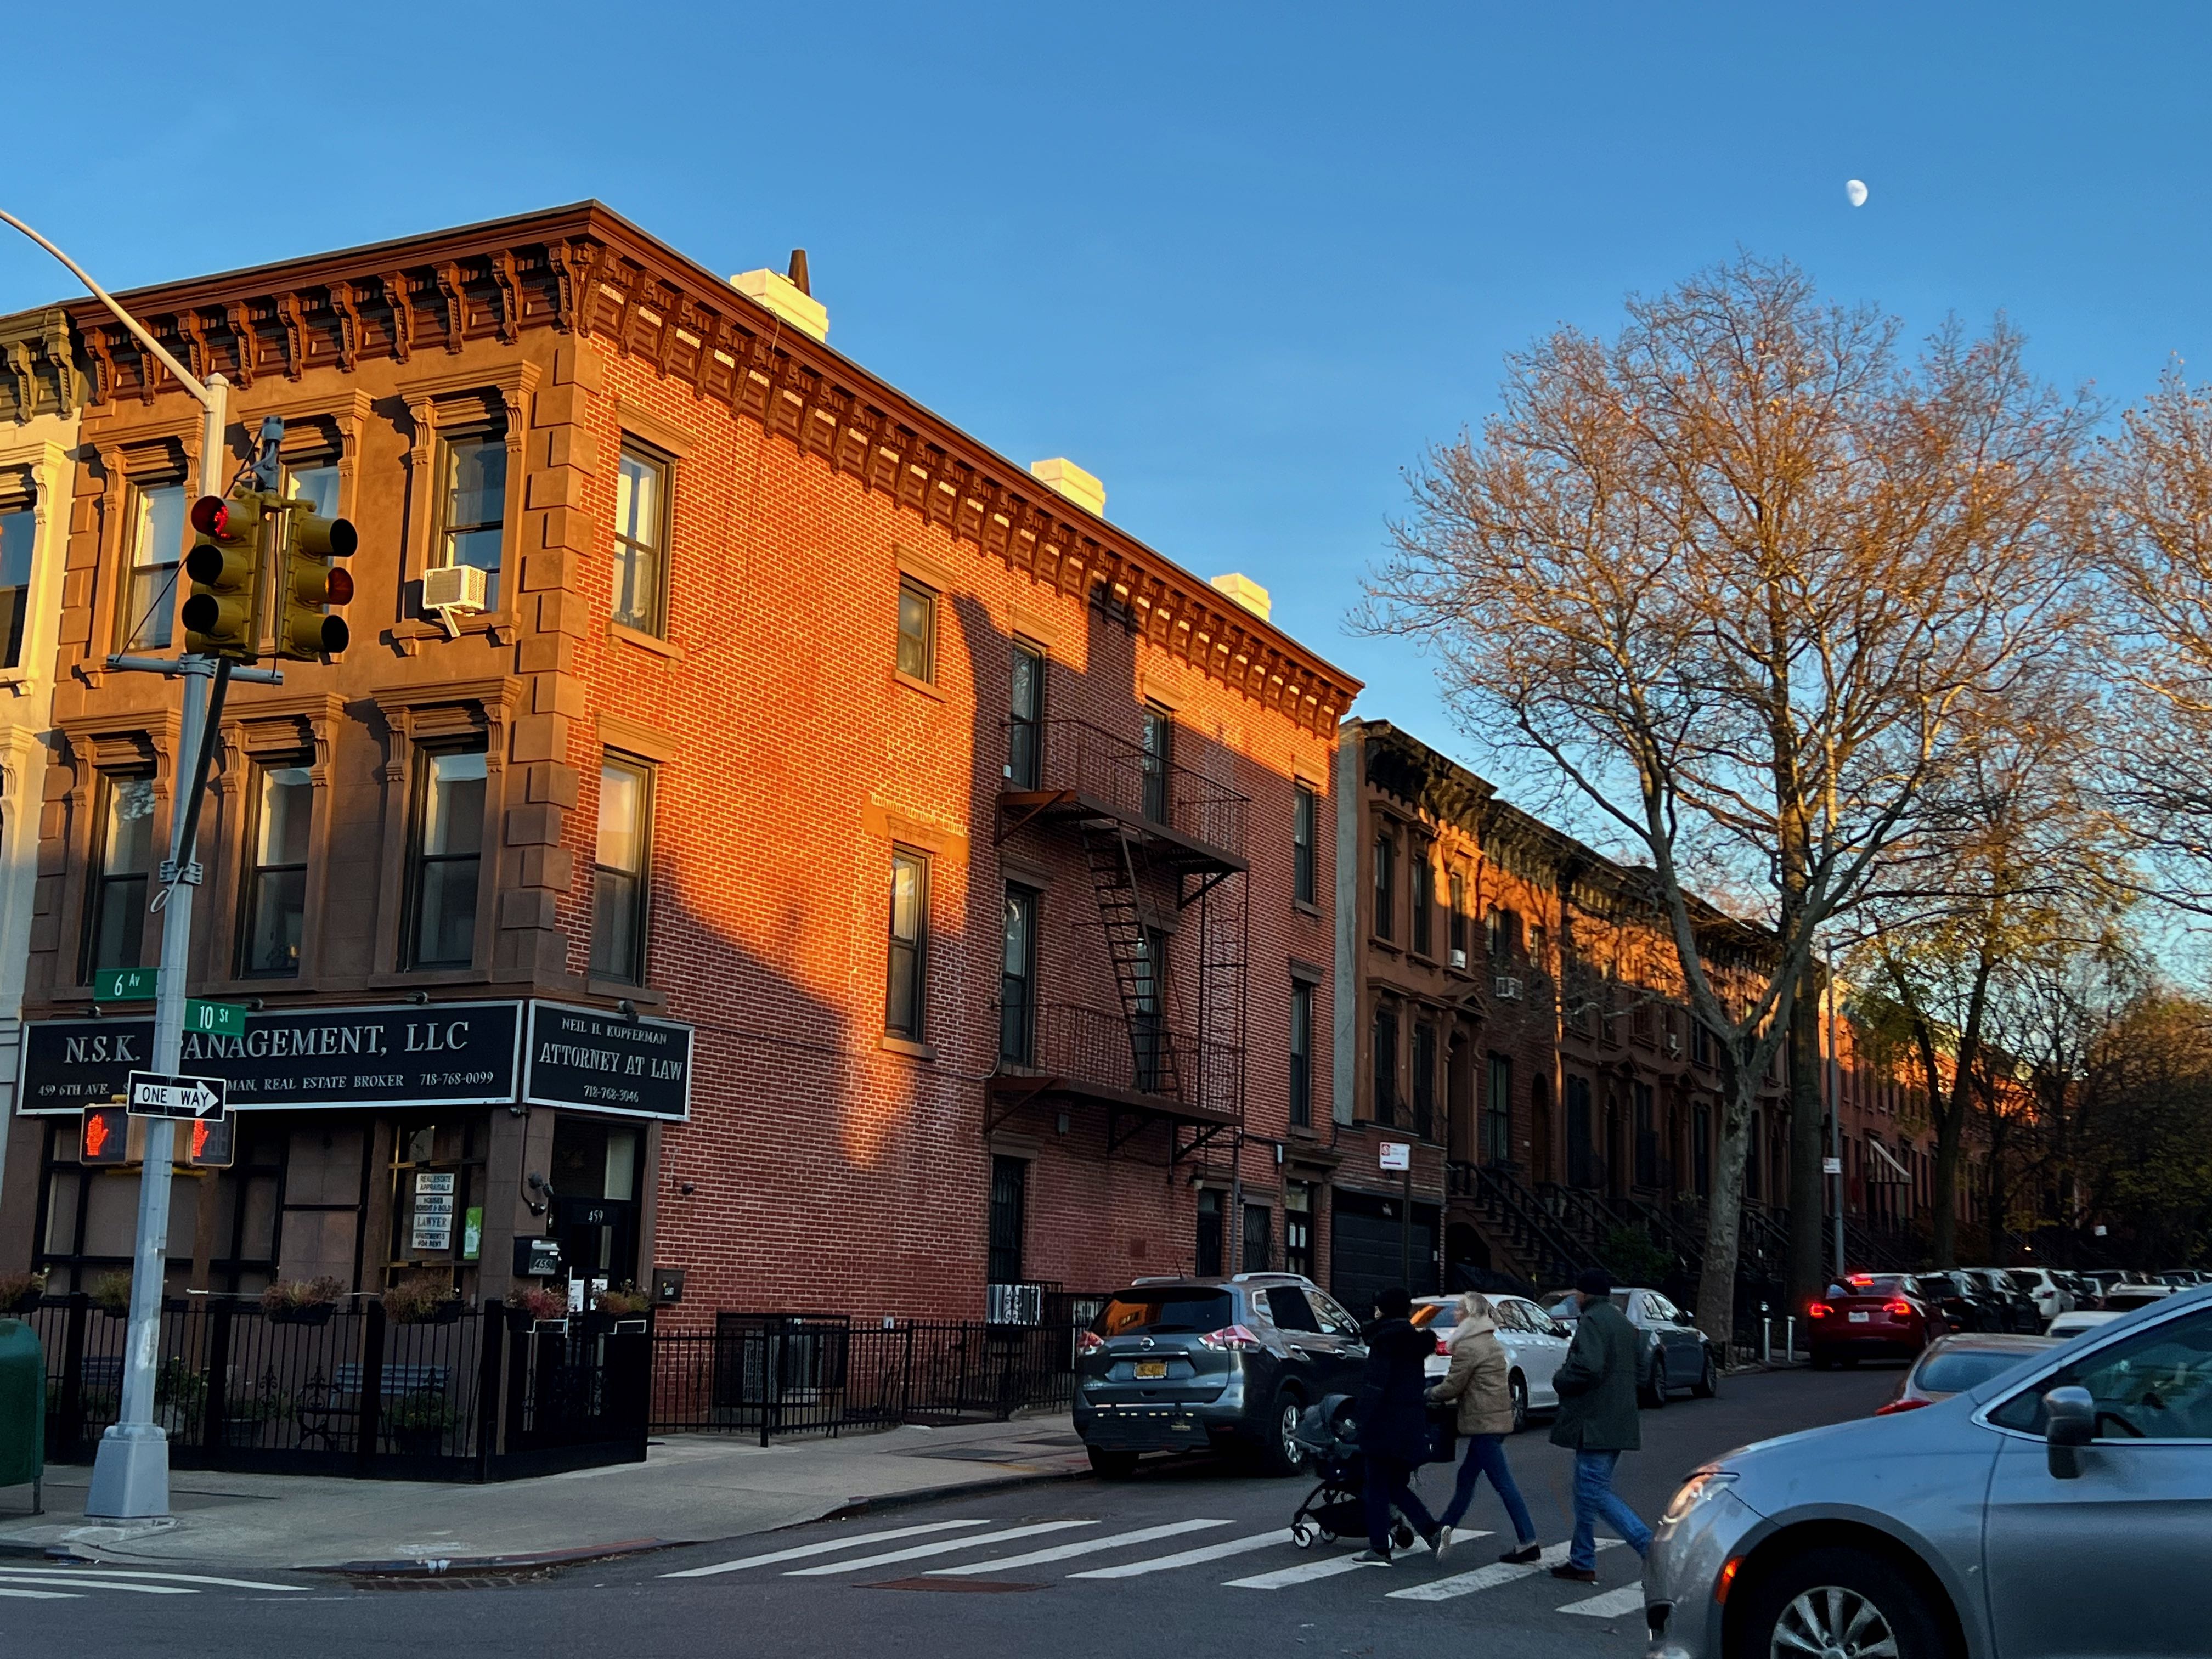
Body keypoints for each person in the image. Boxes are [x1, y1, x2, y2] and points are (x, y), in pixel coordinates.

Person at [1548, 1267, 1652, 1582]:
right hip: (1616, 1418)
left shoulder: (1592, 1321)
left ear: (1584, 1294)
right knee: (1586, 1492)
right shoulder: (1622, 1322)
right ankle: (1582, 1559)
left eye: (1577, 1294)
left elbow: (1589, 1367)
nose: (1575, 1299)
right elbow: (1638, 1368)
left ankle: (1650, 1547)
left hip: (1595, 1421)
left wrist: (1561, 1379)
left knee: (1593, 1492)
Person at [1425, 1292, 1541, 1564]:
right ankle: (1443, 1528)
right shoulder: (1489, 1341)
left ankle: (1529, 1541)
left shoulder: (1469, 1346)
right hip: (1496, 1420)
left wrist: (1429, 1393)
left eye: (1459, 1310)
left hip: (1484, 1423)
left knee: (1503, 1484)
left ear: (1469, 1314)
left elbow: (1453, 1386)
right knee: (1467, 1477)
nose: (1455, 1314)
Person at [1350, 1285, 1441, 1564]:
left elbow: (1375, 1386)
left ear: (1385, 1310)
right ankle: (1432, 1531)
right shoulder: (1414, 1342)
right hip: (1410, 1423)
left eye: (1378, 1307)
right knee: (1396, 1485)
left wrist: (1359, 1420)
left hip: (1383, 1423)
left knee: (1376, 1486)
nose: (1375, 1312)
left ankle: (1379, 1547)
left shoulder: (1384, 1341)